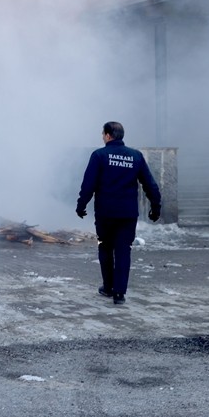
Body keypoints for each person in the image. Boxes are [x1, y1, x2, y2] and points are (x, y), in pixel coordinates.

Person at [76, 121, 162, 306]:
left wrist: (81, 204)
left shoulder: (99, 155)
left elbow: (88, 184)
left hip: (105, 214)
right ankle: (119, 294)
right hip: (127, 214)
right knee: (124, 251)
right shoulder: (135, 156)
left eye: (102, 134)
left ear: (108, 135)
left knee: (105, 247)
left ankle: (108, 287)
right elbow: (150, 184)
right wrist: (156, 206)